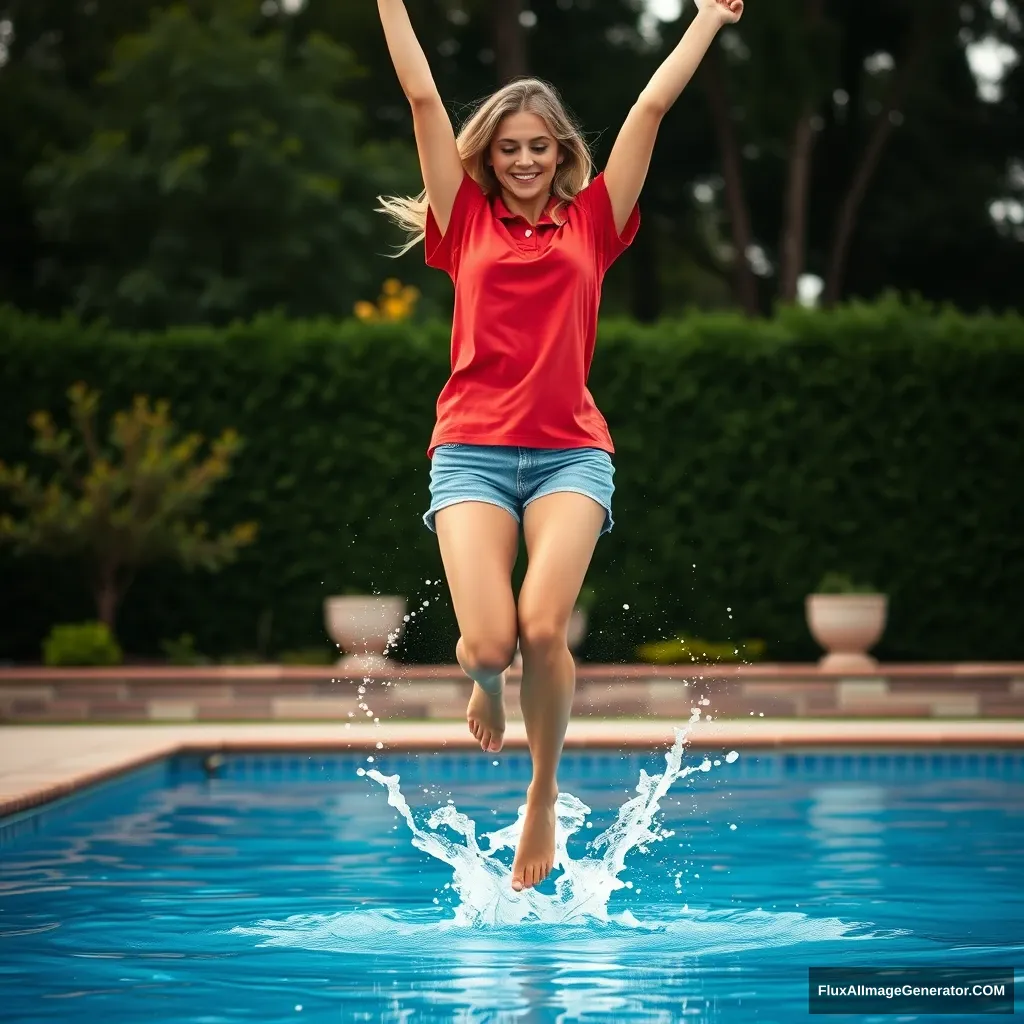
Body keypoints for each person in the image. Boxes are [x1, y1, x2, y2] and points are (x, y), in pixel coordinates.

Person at [375, 0, 745, 893]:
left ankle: (541, 792)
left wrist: (705, 19)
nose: (527, 159)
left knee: (544, 628)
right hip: (468, 450)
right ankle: (482, 678)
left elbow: (649, 112)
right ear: (489, 156)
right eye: (510, 147)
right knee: (486, 643)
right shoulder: (462, 221)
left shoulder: (594, 224)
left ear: (561, 151)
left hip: (571, 454)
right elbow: (425, 101)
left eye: (541, 145)